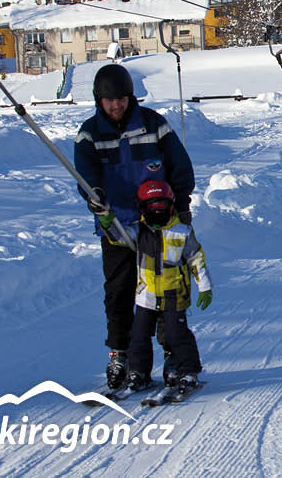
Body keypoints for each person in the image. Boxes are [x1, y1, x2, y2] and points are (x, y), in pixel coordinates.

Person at [75, 63, 195, 390]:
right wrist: (94, 195)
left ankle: (172, 353)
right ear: (99, 101)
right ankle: (120, 353)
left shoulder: (154, 125)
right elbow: (86, 174)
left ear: (130, 97)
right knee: (119, 292)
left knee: (164, 291)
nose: (115, 105)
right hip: (116, 227)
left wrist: (181, 206)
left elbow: (179, 165)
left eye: (121, 98)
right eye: (108, 100)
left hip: (157, 226)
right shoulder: (90, 134)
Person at [101, 180, 212, 395]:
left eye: (162, 206)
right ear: (143, 208)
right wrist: (108, 222)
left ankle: (187, 370)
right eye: (152, 207)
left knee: (176, 335)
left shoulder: (181, 231)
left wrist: (204, 286)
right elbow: (118, 238)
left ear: (170, 205)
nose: (158, 211)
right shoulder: (139, 231)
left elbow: (196, 258)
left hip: (174, 294)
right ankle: (139, 372)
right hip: (146, 296)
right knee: (138, 337)